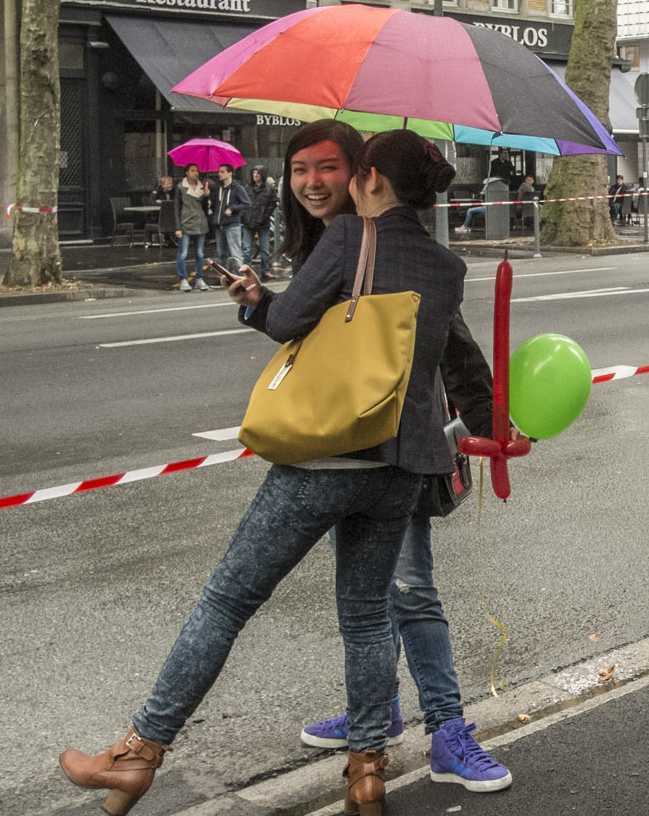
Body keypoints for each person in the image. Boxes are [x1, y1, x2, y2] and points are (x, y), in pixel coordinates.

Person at [58, 127, 467, 816]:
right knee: (367, 617)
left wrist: (254, 299)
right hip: (399, 467)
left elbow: (287, 324)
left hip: (326, 456)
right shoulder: (445, 266)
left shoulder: (347, 238)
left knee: (226, 601)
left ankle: (138, 751)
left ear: (367, 177)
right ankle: (367, 767)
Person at [174, 164, 211, 291]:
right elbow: (176, 207)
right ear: (186, 173)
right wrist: (178, 227)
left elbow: (205, 208)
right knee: (183, 253)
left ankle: (199, 278)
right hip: (186, 222)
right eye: (192, 171)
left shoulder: (203, 187)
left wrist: (206, 197)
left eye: (197, 171)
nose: (195, 173)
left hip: (200, 223)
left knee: (200, 253)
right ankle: (183, 279)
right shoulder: (180, 187)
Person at [209, 164, 252, 273]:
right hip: (220, 224)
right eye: (219, 171)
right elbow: (215, 204)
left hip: (232, 224)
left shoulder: (237, 188)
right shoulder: (219, 188)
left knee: (236, 253)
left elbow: (247, 203)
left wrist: (233, 209)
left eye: (222, 172)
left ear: (230, 173)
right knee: (221, 253)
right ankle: (224, 276)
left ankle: (241, 276)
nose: (219, 174)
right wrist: (208, 197)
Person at [242, 167, 277, 275]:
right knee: (247, 249)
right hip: (248, 222)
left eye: (257, 173)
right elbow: (242, 203)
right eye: (253, 173)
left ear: (262, 175)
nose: (255, 175)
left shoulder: (268, 189)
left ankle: (265, 270)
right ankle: (247, 271)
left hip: (263, 223)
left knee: (264, 250)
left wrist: (265, 216)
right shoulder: (247, 188)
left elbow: (273, 204)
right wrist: (244, 216)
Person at [153, 175, 178, 248]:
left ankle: (173, 239)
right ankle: (171, 239)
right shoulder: (157, 191)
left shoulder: (174, 190)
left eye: (171, 183)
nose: (170, 185)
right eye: (168, 184)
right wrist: (158, 202)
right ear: (162, 185)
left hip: (171, 214)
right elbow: (151, 201)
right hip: (158, 215)